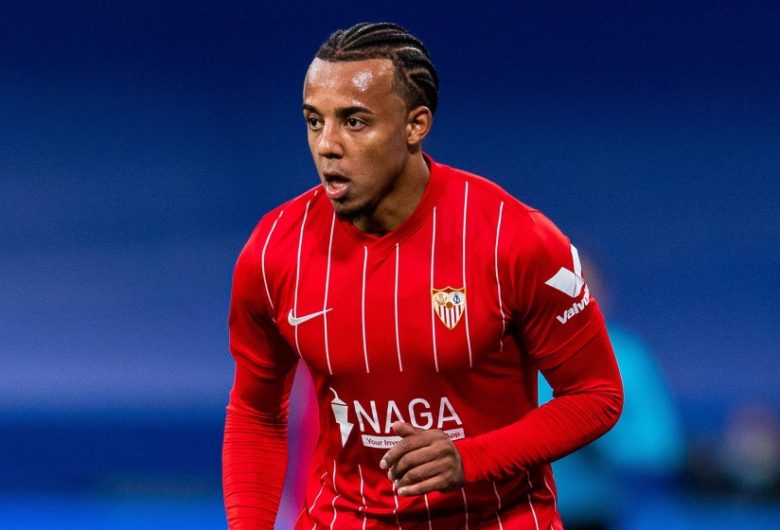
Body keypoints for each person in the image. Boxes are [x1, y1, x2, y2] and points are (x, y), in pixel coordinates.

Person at [223, 22, 623, 530]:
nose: (327, 145)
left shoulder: (515, 238)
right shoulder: (275, 248)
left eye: (354, 121)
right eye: (314, 121)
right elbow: (255, 412)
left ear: (416, 125)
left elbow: (597, 395)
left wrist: (472, 459)